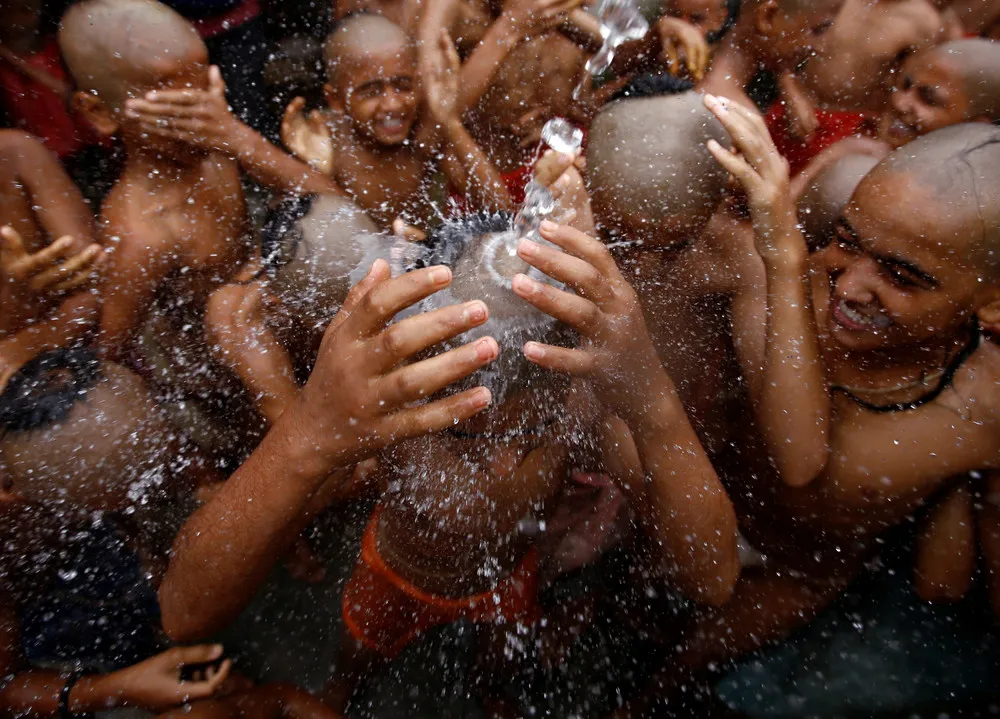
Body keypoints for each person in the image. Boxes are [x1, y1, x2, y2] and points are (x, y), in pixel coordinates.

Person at [657, 102, 1000, 701]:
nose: (849, 285)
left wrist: (962, 500)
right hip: (702, 511)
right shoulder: (784, 280)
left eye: (901, 276)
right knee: (633, 612)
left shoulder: (986, 407)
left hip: (799, 572)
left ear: (992, 302)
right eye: (848, 240)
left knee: (690, 662)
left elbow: (951, 587)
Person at [58, 0, 342, 363]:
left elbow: (338, 209)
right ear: (99, 112)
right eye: (179, 112)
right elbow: (107, 355)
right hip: (231, 369)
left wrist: (237, 137)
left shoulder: (216, 144)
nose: (202, 121)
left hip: (271, 321)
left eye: (205, 97)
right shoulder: (140, 234)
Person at [279, 14, 511, 230]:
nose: (392, 105)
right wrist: (322, 175)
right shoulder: (323, 139)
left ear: (418, 83)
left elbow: (502, 212)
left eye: (402, 86)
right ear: (336, 99)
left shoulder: (422, 134)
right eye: (371, 92)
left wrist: (450, 122)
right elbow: (309, 241)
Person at [0, 129, 104, 390]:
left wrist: (33, 340)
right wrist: (18, 295)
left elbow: (96, 282)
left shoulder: (16, 153)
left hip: (68, 352)